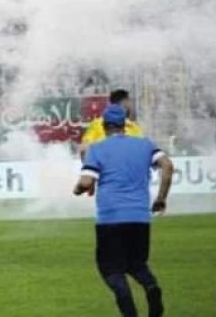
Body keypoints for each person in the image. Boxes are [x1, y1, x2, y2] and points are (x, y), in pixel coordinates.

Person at [73, 104, 174, 317]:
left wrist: (77, 189)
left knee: (111, 270)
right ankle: (151, 287)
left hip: (110, 218)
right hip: (139, 217)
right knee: (137, 264)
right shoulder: (145, 145)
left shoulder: (97, 149)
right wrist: (161, 199)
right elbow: (167, 165)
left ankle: (130, 312)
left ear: (103, 124)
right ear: (125, 125)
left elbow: (85, 181)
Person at [80, 89, 144, 158]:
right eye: (129, 103)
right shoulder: (97, 124)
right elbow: (85, 148)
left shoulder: (133, 127)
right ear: (125, 103)